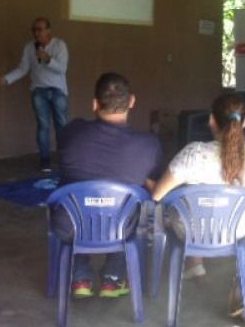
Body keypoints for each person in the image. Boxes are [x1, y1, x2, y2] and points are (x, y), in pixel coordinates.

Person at [51, 72, 164, 299]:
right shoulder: (149, 145)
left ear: (94, 104)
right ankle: (113, 279)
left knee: (80, 205)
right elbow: (155, 193)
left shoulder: (70, 133)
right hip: (119, 227)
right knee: (130, 212)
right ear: (132, 101)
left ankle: (80, 278)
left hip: (70, 225)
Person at [153, 93, 245, 278]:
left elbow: (158, 195)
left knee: (182, 207)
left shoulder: (193, 153)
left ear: (211, 120)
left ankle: (194, 262)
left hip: (192, 232)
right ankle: (201, 265)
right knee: (199, 205)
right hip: (237, 228)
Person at [0, 17, 69, 172]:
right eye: (34, 30)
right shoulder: (29, 47)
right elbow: (23, 69)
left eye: (39, 29)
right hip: (39, 91)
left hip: (57, 91)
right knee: (43, 126)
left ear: (48, 30)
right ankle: (45, 160)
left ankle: (65, 160)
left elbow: (62, 69)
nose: (36, 33)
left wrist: (47, 59)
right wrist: (6, 79)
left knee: (62, 126)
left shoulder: (60, 45)